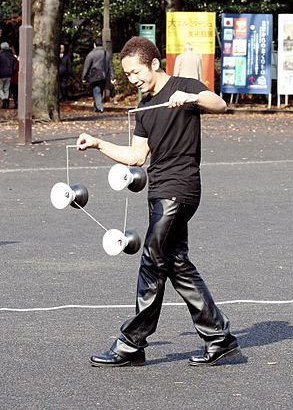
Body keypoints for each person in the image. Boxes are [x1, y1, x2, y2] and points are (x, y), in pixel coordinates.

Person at [76, 36, 240, 367]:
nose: (133, 80)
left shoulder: (183, 86)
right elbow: (136, 156)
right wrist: (97, 143)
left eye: (136, 73)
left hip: (180, 189)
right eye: (127, 76)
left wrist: (191, 96)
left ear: (153, 64)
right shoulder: (145, 107)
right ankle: (219, 337)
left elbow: (219, 104)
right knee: (175, 263)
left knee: (151, 259)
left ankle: (131, 342)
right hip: (159, 191)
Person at [82, 37, 115, 112]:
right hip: (104, 75)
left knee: (96, 91)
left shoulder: (91, 54)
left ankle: (100, 107)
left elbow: (86, 66)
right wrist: (113, 76)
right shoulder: (106, 54)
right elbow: (110, 66)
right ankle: (96, 108)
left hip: (95, 75)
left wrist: (84, 77)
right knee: (99, 91)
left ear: (94, 45)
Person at [0, 42, 17, 109]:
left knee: (0, 88)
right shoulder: (12, 56)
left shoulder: (0, 56)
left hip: (1, 75)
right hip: (9, 75)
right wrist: (12, 72)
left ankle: (4, 99)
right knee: (6, 89)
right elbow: (14, 67)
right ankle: (6, 102)